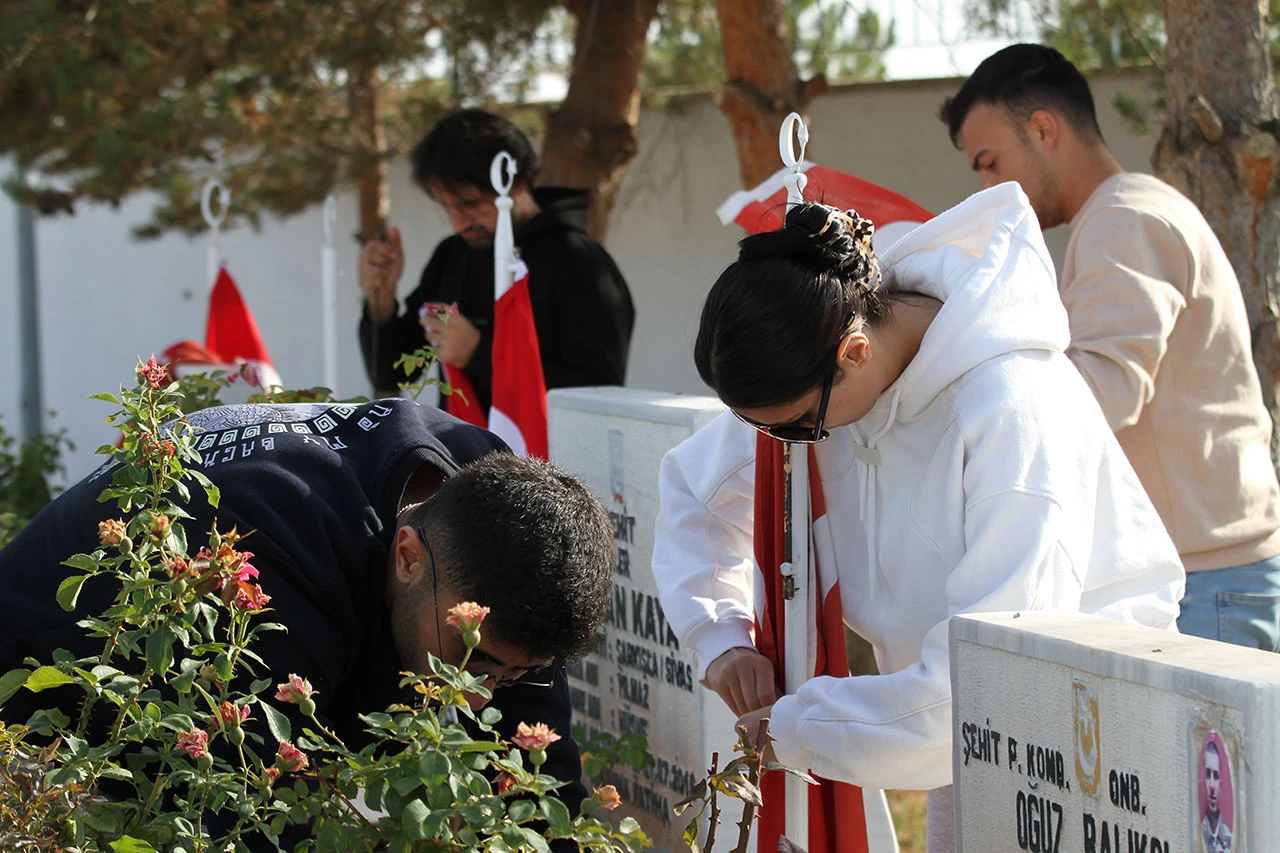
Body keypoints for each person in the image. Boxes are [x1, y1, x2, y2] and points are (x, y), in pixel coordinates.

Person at [651, 187, 1184, 852]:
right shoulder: (821, 371)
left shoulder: (1012, 410)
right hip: (955, 738)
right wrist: (719, 634)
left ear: (854, 352)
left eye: (796, 427)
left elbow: (992, 682)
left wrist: (800, 728)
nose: (786, 445)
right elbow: (694, 495)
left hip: (1080, 750)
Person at [0, 398, 615, 814]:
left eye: (508, 672)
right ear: (406, 556)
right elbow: (251, 817)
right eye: (471, 660)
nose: (480, 697)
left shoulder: (492, 511)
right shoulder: (266, 594)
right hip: (43, 696)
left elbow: (543, 777)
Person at [939, 43, 1280, 651]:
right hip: (1211, 572)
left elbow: (1105, 391)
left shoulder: (1122, 222)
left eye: (989, 163)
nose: (987, 189)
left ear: (1044, 129)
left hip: (1205, 580)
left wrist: (982, 361)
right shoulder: (1126, 213)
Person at [358, 109, 635, 407]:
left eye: (470, 204)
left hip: (545, 453)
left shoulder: (579, 263)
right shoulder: (453, 255)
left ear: (515, 182)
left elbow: (601, 395)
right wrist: (381, 301)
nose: (458, 223)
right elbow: (391, 374)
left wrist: (480, 354)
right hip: (460, 452)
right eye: (446, 207)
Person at [1200, 735, 1233, 852]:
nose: (1212, 785)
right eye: (1208, 775)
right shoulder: (1198, 832)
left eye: (1216, 775)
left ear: (1221, 784)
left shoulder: (1230, 839)